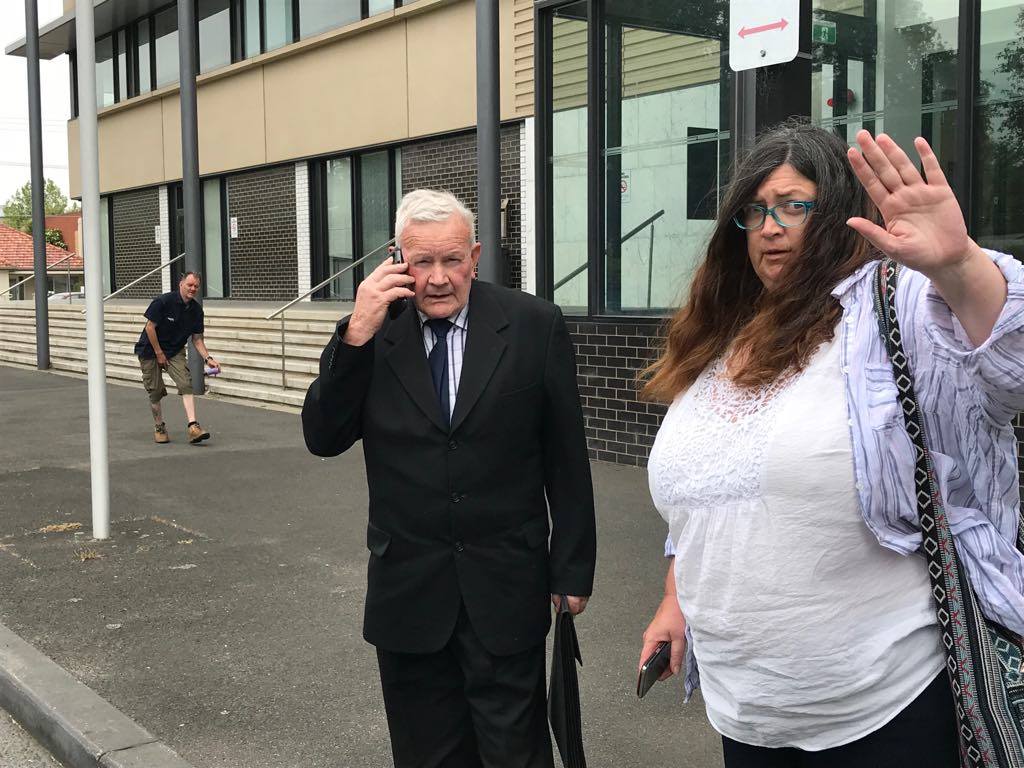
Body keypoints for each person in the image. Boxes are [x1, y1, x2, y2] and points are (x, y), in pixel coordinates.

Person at [637, 121, 1024, 767]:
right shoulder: (720, 338)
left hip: (884, 707)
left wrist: (959, 266)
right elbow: (706, 495)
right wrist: (675, 600)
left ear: (839, 214)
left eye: (794, 205)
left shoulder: (896, 310)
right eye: (755, 210)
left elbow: (1013, 365)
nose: (770, 227)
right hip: (748, 714)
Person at [301, 189, 596, 768]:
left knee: (516, 753)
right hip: (409, 594)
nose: (437, 278)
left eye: (452, 260)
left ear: (475, 257)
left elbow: (566, 458)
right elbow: (323, 436)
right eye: (422, 261)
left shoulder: (533, 325)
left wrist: (572, 568)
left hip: (506, 588)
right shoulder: (371, 333)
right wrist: (356, 332)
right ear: (397, 260)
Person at [134, 271, 219, 444]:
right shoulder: (163, 302)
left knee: (185, 383)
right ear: (181, 284)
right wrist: (159, 353)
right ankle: (159, 426)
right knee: (155, 391)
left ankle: (193, 427)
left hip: (174, 351)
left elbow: (197, 339)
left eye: (196, 286)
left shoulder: (196, 311)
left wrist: (208, 358)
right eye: (190, 285)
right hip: (150, 350)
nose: (193, 289)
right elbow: (150, 327)